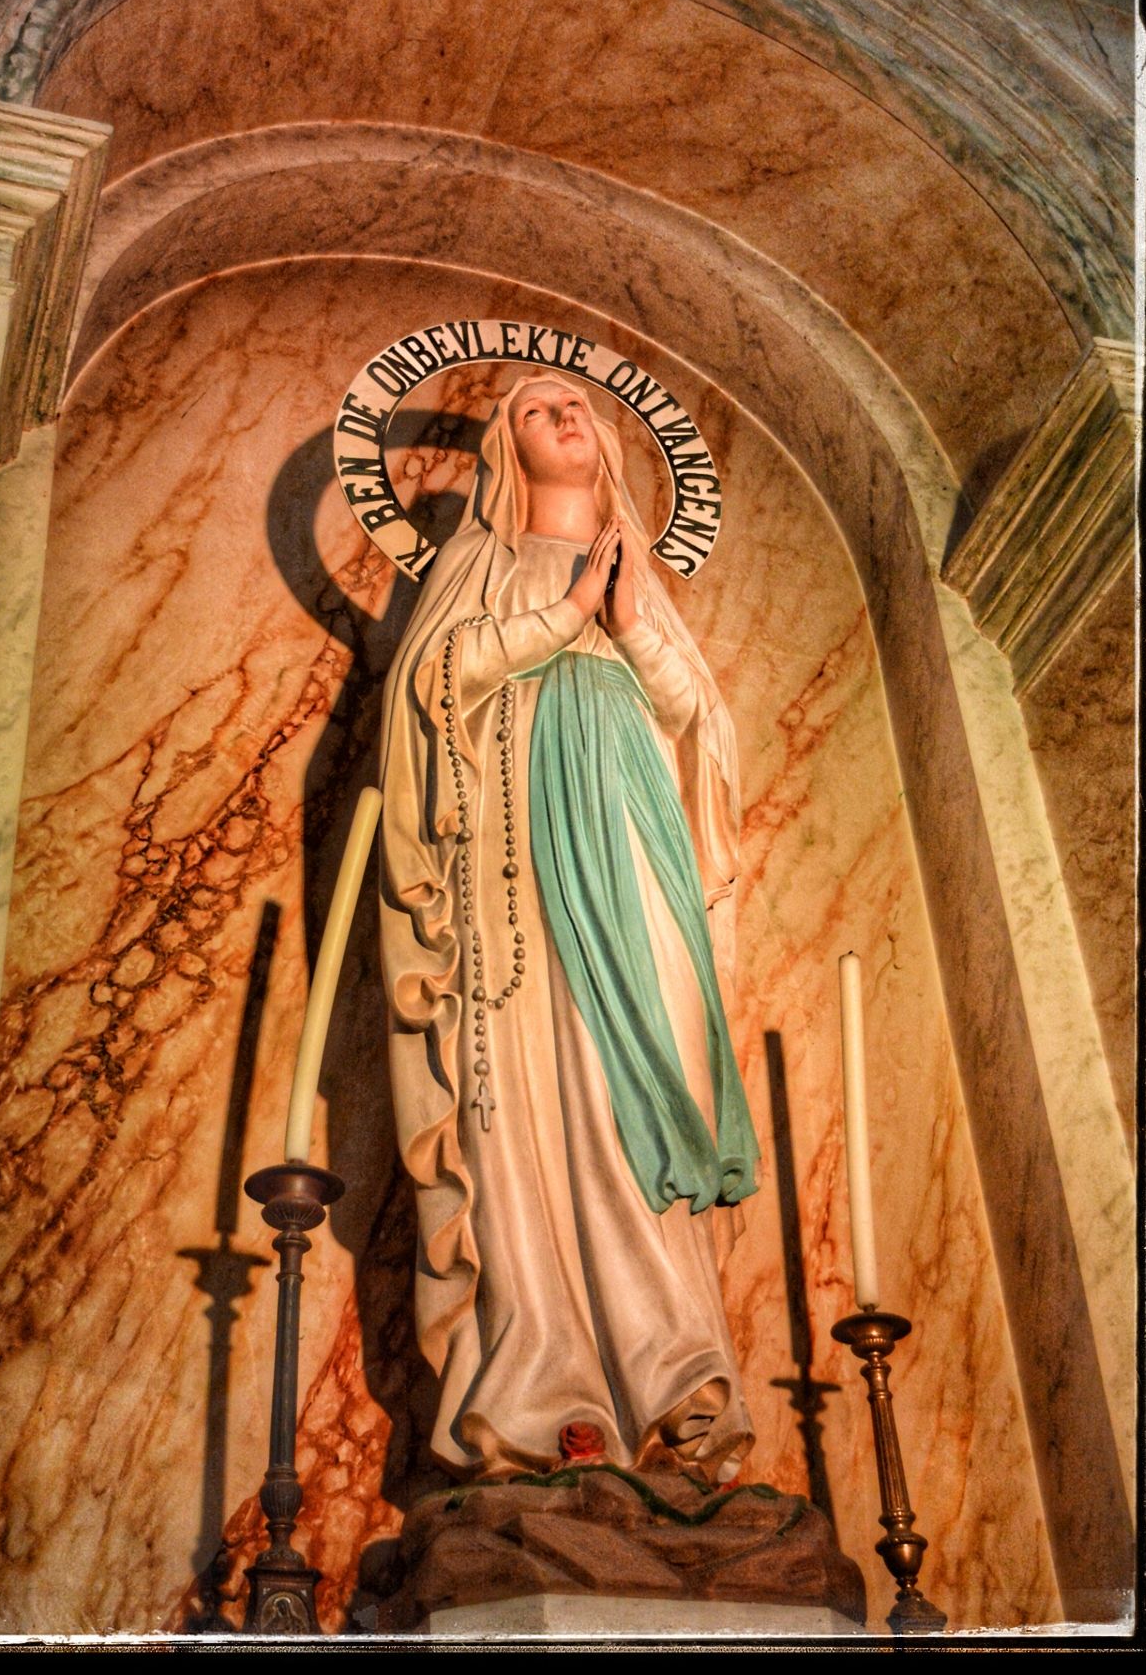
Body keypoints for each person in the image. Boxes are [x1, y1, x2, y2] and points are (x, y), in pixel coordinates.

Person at [378, 372, 760, 1483]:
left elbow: (700, 728)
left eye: (579, 407)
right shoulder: (479, 564)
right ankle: (551, 1386)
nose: (567, 416)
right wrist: (562, 616)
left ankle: (677, 1366)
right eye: (539, 408)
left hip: (636, 844)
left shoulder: (639, 578)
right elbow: (430, 685)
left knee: (646, 1071)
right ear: (506, 446)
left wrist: (628, 623)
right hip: (516, 863)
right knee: (542, 1083)